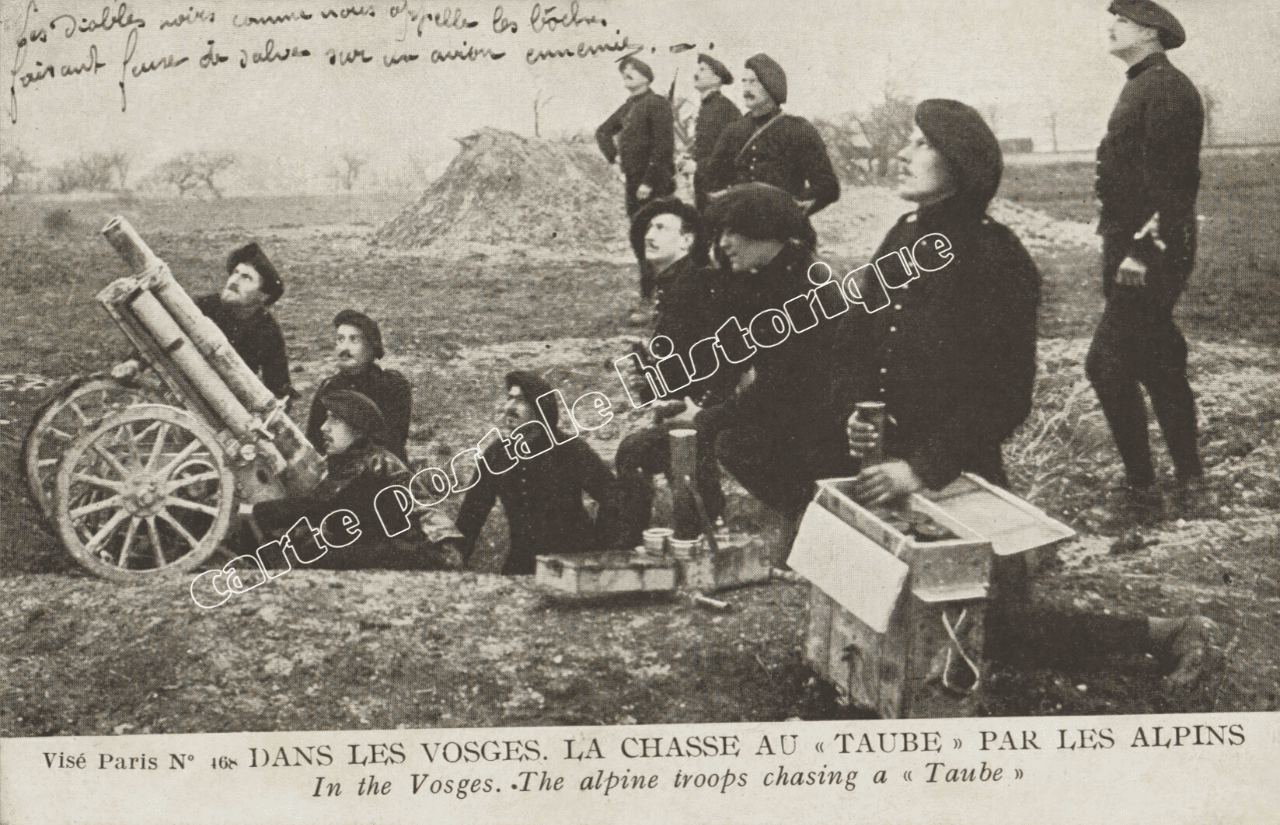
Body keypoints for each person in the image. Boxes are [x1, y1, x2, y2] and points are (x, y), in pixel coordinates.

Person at [823, 99, 1219, 693]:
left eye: (921, 144)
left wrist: (921, 467)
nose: (902, 154)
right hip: (892, 475)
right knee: (874, 614)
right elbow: (859, 340)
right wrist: (857, 410)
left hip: (960, 476)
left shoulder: (994, 255)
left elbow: (1006, 397)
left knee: (990, 630)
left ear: (960, 163)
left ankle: (1163, 633)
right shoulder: (903, 236)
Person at [1086, 0, 1204, 515]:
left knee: (1105, 363)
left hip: (1150, 250)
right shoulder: (1142, 84)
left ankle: (1141, 485)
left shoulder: (1166, 89)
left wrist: (1142, 249)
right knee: (1155, 360)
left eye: (1124, 21)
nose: (1112, 28)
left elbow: (1175, 184)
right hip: (1133, 245)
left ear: (1152, 33)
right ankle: (1190, 480)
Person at [666, 184, 829, 553]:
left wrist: (707, 417)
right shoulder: (775, 275)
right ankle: (803, 515)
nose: (722, 243)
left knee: (735, 442)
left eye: (731, 231)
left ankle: (810, 511)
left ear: (765, 229)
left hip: (826, 422)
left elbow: (781, 386)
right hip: (801, 411)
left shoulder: (804, 288)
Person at [614, 197, 738, 549]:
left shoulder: (697, 283)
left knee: (634, 452)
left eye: (661, 228)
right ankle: (700, 527)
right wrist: (649, 375)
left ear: (687, 240)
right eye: (648, 228)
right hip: (684, 406)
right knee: (661, 458)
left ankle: (631, 544)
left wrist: (704, 407)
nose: (649, 235)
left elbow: (729, 352)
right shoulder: (671, 285)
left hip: (703, 409)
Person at [253, 389, 465, 571]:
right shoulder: (355, 458)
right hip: (399, 542)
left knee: (318, 560)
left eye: (335, 420)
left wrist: (259, 513)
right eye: (327, 419)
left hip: (419, 547)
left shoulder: (370, 462)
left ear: (358, 428)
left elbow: (318, 504)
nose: (323, 427)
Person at [454, 371, 620, 575]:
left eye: (520, 401)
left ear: (540, 408)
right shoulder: (497, 454)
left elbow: (615, 498)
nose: (508, 408)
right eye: (509, 399)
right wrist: (455, 560)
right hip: (522, 562)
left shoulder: (570, 450)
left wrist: (601, 554)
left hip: (573, 561)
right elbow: (473, 512)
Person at [112, 241, 296, 402]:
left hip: (226, 403)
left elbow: (278, 386)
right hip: (180, 387)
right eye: (235, 272)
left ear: (261, 295)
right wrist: (134, 362)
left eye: (246, 277)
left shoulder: (267, 330)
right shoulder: (206, 306)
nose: (233, 281)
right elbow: (160, 332)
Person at [701, 54, 840, 216]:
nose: (746, 89)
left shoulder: (798, 130)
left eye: (753, 82)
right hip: (739, 222)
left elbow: (828, 188)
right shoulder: (734, 131)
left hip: (780, 227)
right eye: (744, 82)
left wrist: (791, 208)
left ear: (771, 85)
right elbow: (713, 182)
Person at [595, 55, 678, 315]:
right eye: (623, 71)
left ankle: (656, 301)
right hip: (634, 185)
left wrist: (648, 182)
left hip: (654, 187)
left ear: (647, 76)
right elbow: (602, 132)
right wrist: (615, 158)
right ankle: (650, 298)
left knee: (657, 243)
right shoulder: (629, 106)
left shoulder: (657, 104)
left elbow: (664, 148)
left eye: (633, 70)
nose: (626, 74)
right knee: (641, 242)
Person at [306, 310, 413, 463]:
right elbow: (314, 442)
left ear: (372, 347)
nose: (344, 348)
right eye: (340, 339)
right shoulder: (329, 388)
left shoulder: (391, 386)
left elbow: (393, 443)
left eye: (354, 340)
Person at [689, 53, 742, 212]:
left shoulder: (725, 109)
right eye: (697, 69)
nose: (696, 73)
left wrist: (697, 166)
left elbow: (732, 154)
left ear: (717, 79)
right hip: (704, 185)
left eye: (703, 70)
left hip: (720, 188)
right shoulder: (707, 107)